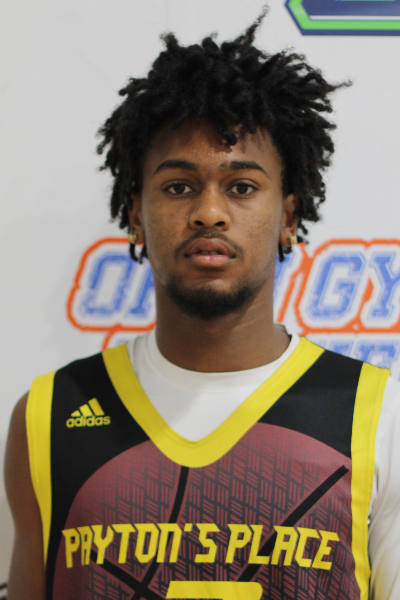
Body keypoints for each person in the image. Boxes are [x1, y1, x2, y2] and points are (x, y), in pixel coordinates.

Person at [5, 11, 400, 600]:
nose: (209, 212)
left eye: (241, 187)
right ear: (136, 215)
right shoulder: (48, 416)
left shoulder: (379, 416)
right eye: (178, 186)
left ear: (288, 216)